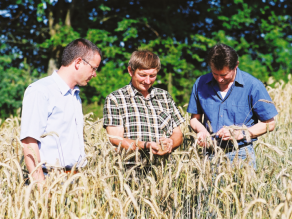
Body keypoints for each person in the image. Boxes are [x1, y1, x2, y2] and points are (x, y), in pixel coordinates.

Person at [20, 38, 102, 185]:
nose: (94, 74)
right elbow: (29, 142)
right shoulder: (40, 91)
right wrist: (41, 187)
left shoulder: (75, 95)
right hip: (49, 179)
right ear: (78, 62)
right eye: (93, 68)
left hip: (75, 180)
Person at [187, 43, 278, 168]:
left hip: (241, 155)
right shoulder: (200, 83)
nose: (219, 79)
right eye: (215, 74)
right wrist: (202, 131)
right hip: (209, 155)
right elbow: (194, 119)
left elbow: (270, 123)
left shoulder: (253, 85)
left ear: (236, 66)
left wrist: (240, 133)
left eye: (224, 75)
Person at [103, 50, 185, 162]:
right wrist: (145, 145)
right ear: (130, 71)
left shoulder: (165, 96)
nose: (147, 81)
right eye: (142, 75)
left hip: (165, 170)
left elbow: (178, 134)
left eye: (152, 76)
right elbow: (116, 139)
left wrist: (171, 142)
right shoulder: (116, 99)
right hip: (130, 170)